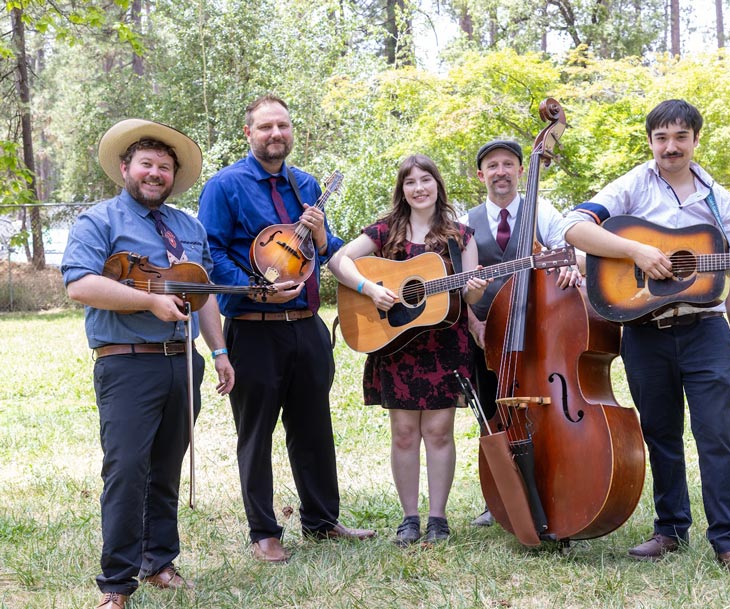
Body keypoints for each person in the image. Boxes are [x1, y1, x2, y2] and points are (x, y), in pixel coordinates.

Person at [562, 99, 730, 577]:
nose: (671, 147)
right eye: (661, 138)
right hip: (644, 332)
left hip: (706, 331)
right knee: (660, 434)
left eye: (680, 137)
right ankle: (670, 529)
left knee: (718, 436)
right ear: (651, 141)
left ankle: (729, 541)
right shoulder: (634, 184)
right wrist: (636, 250)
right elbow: (573, 226)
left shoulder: (718, 200)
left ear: (696, 139)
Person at [61, 119, 235, 609]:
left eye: (164, 167)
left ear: (173, 176)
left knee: (165, 468)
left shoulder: (189, 227)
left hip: (182, 363)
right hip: (127, 364)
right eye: (146, 164)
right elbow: (80, 284)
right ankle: (116, 584)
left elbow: (204, 295)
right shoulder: (99, 221)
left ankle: (159, 562)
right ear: (125, 169)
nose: (155, 173)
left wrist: (219, 351)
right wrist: (149, 302)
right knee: (126, 470)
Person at [197, 93, 374, 563]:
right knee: (255, 434)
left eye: (283, 125)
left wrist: (322, 235)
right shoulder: (224, 186)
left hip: (307, 326)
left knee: (314, 427)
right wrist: (256, 291)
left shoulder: (306, 184)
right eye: (266, 126)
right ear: (248, 133)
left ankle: (322, 520)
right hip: (253, 328)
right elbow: (211, 254)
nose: (276, 134)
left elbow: (328, 248)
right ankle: (263, 532)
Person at [328, 154, 488, 546]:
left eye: (426, 179)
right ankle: (409, 518)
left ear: (438, 184)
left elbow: (468, 295)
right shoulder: (385, 230)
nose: (419, 188)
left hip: (444, 343)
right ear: (402, 189)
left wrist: (475, 290)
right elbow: (338, 260)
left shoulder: (461, 236)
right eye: (410, 182)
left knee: (438, 431)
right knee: (403, 433)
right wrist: (369, 289)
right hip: (396, 342)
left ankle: (438, 518)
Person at [461, 139, 583, 527]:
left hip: (538, 332)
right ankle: (499, 496)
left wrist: (571, 266)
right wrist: (475, 324)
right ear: (480, 175)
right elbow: (459, 283)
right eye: (492, 165)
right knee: (491, 414)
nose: (500, 172)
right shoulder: (465, 222)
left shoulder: (542, 211)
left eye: (508, 164)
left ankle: (555, 483)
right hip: (486, 337)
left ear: (520, 170)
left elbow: (573, 250)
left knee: (543, 410)